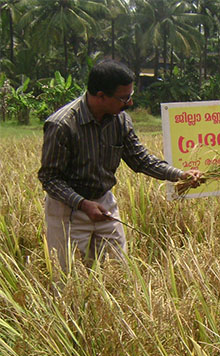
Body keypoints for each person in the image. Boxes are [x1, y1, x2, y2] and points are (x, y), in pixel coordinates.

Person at [38, 60, 202, 271]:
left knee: (119, 271)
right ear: (100, 96)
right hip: (68, 210)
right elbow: (50, 178)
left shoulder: (120, 120)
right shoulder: (62, 125)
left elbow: (141, 159)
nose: (130, 103)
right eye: (124, 98)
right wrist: (83, 204)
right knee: (69, 279)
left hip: (104, 203)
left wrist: (180, 174)